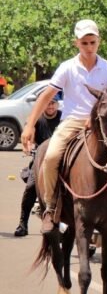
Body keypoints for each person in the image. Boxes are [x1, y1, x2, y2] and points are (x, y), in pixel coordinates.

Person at [20, 19, 107, 235]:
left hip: (101, 123)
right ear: (76, 44)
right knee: (51, 157)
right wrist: (29, 125)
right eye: (84, 43)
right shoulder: (67, 68)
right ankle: (50, 209)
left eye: (93, 42)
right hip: (72, 122)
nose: (89, 48)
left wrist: (98, 116)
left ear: (99, 41)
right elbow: (47, 96)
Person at [14, 95, 61, 237]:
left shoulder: (64, 118)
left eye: (53, 103)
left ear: (58, 105)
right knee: (30, 187)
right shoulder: (37, 120)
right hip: (41, 159)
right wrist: (28, 145)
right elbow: (29, 134)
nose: (50, 106)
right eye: (48, 104)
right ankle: (23, 223)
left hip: (62, 159)